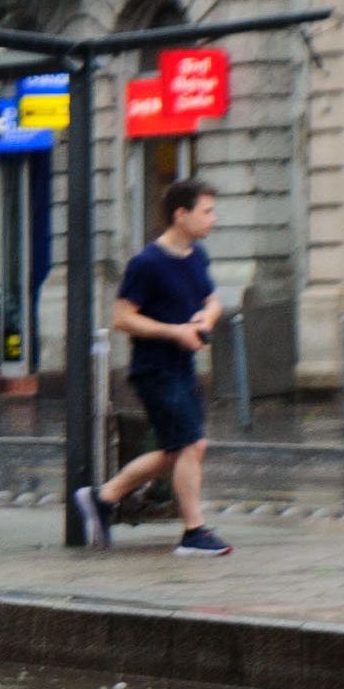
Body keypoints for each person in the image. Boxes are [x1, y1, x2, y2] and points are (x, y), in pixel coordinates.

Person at [74, 178, 230, 557]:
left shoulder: (196, 257)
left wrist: (205, 320)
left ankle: (103, 497)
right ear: (181, 214)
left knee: (181, 449)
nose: (213, 218)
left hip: (183, 369)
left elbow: (213, 300)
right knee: (191, 445)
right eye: (206, 211)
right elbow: (122, 318)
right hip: (154, 370)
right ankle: (194, 532)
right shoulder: (146, 263)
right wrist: (175, 332)